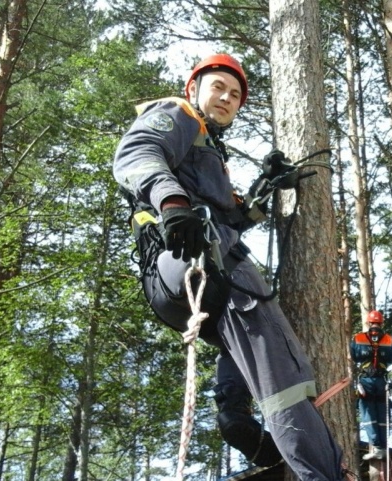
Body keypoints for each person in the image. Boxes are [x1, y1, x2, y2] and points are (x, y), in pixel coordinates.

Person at [113, 53, 347, 480]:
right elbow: (135, 153)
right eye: (218, 86)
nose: (226, 97)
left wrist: (266, 186)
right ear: (193, 90)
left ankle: (235, 413)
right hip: (194, 258)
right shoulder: (177, 114)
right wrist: (173, 203)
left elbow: (231, 216)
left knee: (240, 340)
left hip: (179, 275)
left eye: (235, 94)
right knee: (282, 372)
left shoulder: (206, 147)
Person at [350, 310, 392, 461]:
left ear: (369, 323)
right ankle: (383, 446)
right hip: (382, 381)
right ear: (381, 323)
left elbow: (353, 356)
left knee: (367, 413)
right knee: (382, 412)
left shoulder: (358, 338)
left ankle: (377, 447)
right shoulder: (389, 340)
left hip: (366, 381)